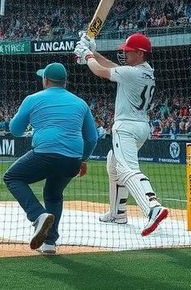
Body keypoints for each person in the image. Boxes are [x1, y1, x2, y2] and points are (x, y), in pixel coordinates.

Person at [74, 32, 169, 236]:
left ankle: (153, 208)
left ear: (140, 53)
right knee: (113, 162)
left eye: (128, 51)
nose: (124, 54)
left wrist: (86, 55)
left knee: (127, 169)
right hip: (141, 126)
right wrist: (92, 51)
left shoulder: (132, 73)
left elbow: (100, 71)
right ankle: (118, 213)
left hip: (126, 127)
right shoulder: (143, 72)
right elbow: (109, 65)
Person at [3, 62, 99, 255]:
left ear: (45, 80)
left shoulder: (33, 99)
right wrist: (83, 159)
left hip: (45, 153)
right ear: (64, 82)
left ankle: (38, 216)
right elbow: (92, 137)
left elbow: (15, 130)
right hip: (72, 159)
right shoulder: (80, 103)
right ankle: (49, 243)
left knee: (12, 178)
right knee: (54, 194)